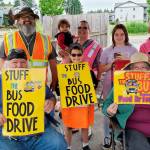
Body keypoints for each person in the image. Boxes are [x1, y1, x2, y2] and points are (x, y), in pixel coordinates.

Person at [0, 48, 67, 150]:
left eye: (22, 62)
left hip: (38, 133)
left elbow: (51, 96)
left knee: (59, 143)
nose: (19, 66)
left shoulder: (35, 79)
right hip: (9, 136)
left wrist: (51, 102)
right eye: (15, 62)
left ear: (27, 65)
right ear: (7, 64)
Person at [99, 24, 137, 149]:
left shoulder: (133, 50)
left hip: (127, 86)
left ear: (126, 35)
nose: (119, 37)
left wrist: (127, 60)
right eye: (116, 34)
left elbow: (139, 68)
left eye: (122, 34)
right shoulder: (107, 51)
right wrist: (111, 64)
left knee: (125, 109)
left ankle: (120, 136)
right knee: (108, 110)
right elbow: (100, 69)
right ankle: (107, 137)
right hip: (109, 85)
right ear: (113, 36)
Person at [0, 7, 57, 90]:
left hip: (39, 86)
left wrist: (55, 79)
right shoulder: (9, 39)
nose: (27, 19)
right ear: (18, 20)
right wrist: (6, 78)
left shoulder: (45, 39)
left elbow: (52, 61)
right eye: (23, 17)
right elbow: (2, 60)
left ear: (34, 20)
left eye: (30, 17)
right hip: (16, 86)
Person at [102, 52, 150, 150]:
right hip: (133, 129)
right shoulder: (122, 84)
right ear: (130, 70)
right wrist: (109, 111)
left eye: (143, 67)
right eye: (136, 67)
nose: (140, 70)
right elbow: (106, 104)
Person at [61, 43, 95, 150]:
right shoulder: (64, 69)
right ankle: (68, 146)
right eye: (73, 55)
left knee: (84, 123)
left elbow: (94, 83)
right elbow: (59, 87)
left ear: (83, 55)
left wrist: (91, 97)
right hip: (69, 103)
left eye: (79, 55)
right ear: (70, 55)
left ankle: (85, 145)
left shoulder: (87, 69)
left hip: (84, 102)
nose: (76, 57)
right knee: (68, 125)